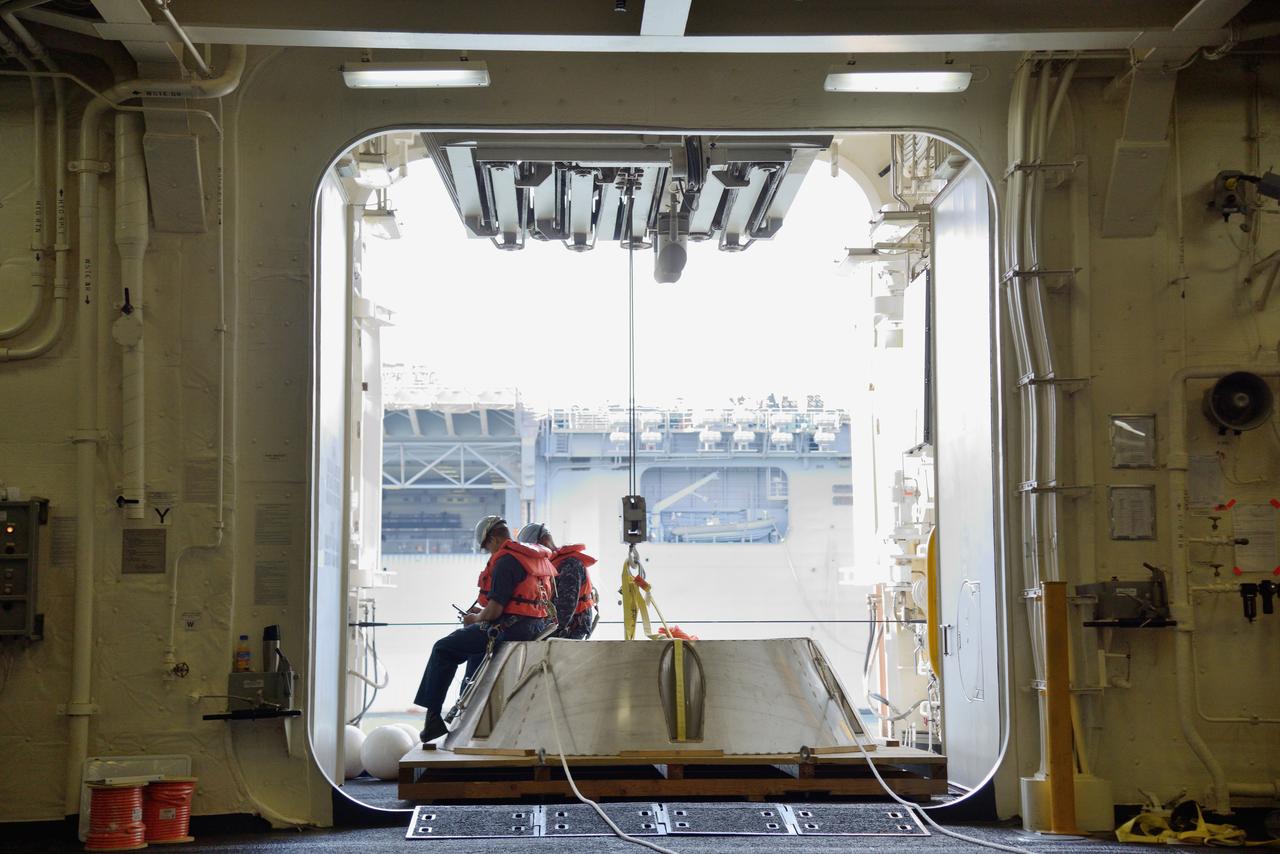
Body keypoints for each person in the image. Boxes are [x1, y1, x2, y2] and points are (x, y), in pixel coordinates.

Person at [414, 515, 556, 744]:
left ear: (493, 538)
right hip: (533, 627)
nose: (489, 552)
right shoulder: (531, 558)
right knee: (474, 651)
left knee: (443, 648)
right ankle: (465, 713)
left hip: (507, 629)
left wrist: (474, 619)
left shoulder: (506, 561)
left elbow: (494, 611)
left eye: (487, 546)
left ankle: (432, 721)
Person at [518, 522, 597, 640]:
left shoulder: (569, 565)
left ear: (543, 542)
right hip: (559, 622)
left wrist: (542, 631)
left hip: (574, 626)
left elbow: (565, 609)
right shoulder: (554, 563)